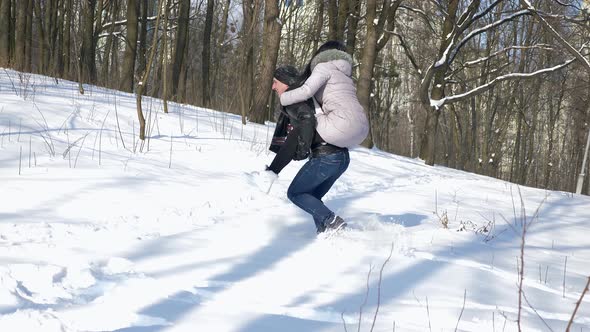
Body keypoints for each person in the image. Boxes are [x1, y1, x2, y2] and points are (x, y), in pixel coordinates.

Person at [259, 65, 349, 234]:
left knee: (296, 193)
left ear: (286, 83)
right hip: (341, 158)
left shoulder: (293, 99)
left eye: (275, 82)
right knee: (311, 197)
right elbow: (295, 135)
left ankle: (334, 222)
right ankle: (328, 234)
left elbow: (306, 120)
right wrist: (275, 168)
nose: (273, 87)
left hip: (326, 158)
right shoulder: (309, 98)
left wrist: (303, 147)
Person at [279, 40, 369, 149]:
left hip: (341, 127)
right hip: (362, 131)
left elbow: (306, 91)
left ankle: (293, 156)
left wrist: (283, 98)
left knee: (298, 132)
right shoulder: (346, 76)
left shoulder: (323, 67)